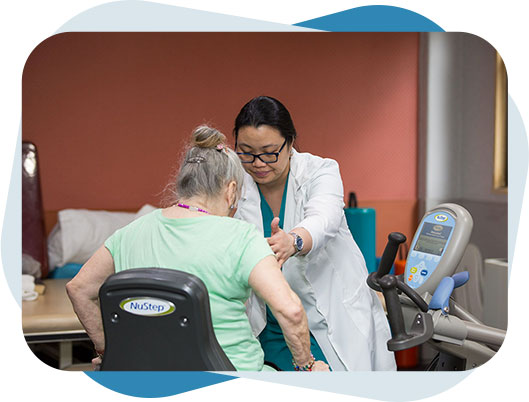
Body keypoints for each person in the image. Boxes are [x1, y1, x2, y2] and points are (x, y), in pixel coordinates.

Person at [66, 125, 329, 372]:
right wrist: (307, 366)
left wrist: (108, 351)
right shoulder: (241, 237)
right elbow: (290, 310)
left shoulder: (131, 232)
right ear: (231, 191)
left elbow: (78, 288)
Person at [233, 96, 396, 371]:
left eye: (269, 152)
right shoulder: (235, 181)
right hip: (268, 322)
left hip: (326, 317)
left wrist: (294, 241)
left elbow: (325, 217)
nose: (258, 163)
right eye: (246, 152)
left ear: (291, 142)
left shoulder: (320, 170)